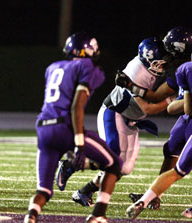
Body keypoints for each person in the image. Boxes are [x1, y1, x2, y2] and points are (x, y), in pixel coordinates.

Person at [58, 37, 173, 208]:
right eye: (158, 63)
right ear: (147, 59)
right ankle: (71, 163)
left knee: (124, 168)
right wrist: (171, 101)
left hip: (131, 119)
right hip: (114, 113)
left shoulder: (150, 67)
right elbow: (147, 109)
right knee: (113, 157)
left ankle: (84, 192)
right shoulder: (137, 72)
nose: (161, 66)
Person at [23, 32, 122, 223]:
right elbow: (77, 106)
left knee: (43, 189)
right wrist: (79, 144)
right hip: (65, 127)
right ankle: (98, 214)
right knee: (114, 164)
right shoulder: (88, 67)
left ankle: (31, 216)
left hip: (43, 128)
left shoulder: (52, 67)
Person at [123, 26, 192, 209]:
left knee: (183, 166)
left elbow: (185, 108)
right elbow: (159, 99)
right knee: (171, 150)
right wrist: (132, 86)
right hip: (187, 116)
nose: (165, 58)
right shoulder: (183, 69)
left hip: (189, 114)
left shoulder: (185, 68)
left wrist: (179, 103)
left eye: (169, 52)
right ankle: (154, 196)